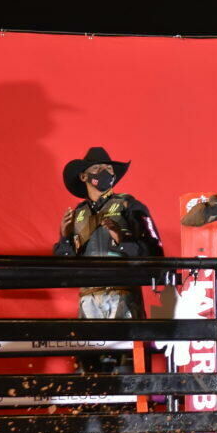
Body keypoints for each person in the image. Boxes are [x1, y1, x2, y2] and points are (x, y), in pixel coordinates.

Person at [53, 147, 162, 371]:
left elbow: (154, 251)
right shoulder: (77, 214)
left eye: (108, 168)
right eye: (97, 168)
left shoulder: (130, 206)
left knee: (128, 365)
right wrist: (64, 240)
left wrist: (122, 241)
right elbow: (62, 265)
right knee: (90, 366)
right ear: (84, 176)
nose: (104, 172)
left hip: (123, 297)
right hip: (88, 299)